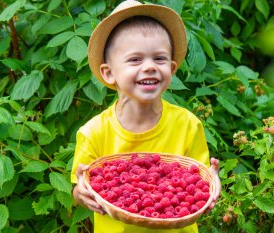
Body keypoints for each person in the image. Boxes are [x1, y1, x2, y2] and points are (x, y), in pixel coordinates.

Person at [71, 0, 221, 232]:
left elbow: (199, 183)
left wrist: (212, 182)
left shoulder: (188, 125)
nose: (150, 66)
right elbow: (79, 191)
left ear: (171, 70)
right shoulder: (93, 133)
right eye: (135, 59)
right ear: (109, 73)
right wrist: (81, 193)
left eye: (159, 59)